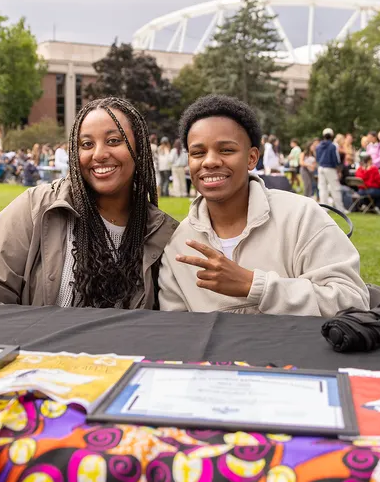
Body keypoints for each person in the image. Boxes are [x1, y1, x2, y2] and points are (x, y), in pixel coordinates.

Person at [0, 97, 178, 308]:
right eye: (87, 144)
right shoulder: (37, 208)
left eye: (113, 141)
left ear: (140, 149)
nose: (99, 154)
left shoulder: (162, 234)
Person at [158, 95, 369, 316]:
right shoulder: (178, 243)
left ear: (252, 158)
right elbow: (175, 329)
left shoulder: (302, 217)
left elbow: (353, 301)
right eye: (198, 153)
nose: (210, 161)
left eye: (226, 150)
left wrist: (256, 287)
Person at [316, 128, 342, 207]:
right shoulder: (332, 146)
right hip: (330, 168)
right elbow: (335, 159)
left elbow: (317, 158)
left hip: (321, 168)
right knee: (335, 188)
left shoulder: (318, 146)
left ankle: (324, 208)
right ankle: (340, 208)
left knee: (322, 188)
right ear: (331, 136)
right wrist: (338, 170)